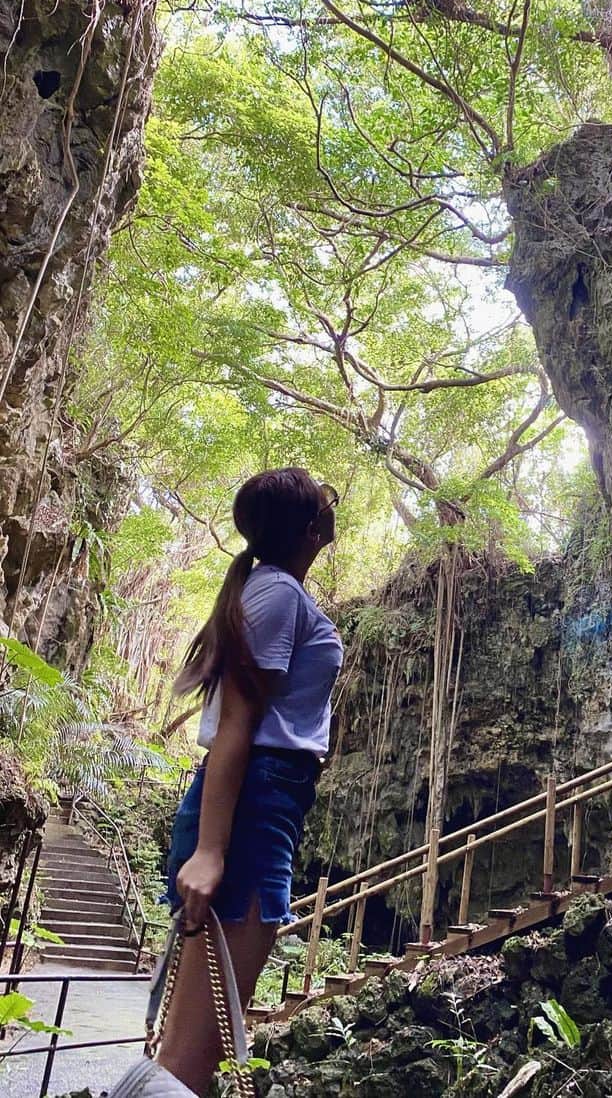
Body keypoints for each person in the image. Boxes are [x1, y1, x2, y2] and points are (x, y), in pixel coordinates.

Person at [155, 468, 343, 1094]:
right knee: (194, 1052)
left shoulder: (272, 590)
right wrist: (211, 851)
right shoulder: (279, 595)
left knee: (197, 1043)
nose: (332, 504)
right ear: (312, 529)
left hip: (264, 803)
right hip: (253, 807)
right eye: (325, 499)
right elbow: (237, 722)